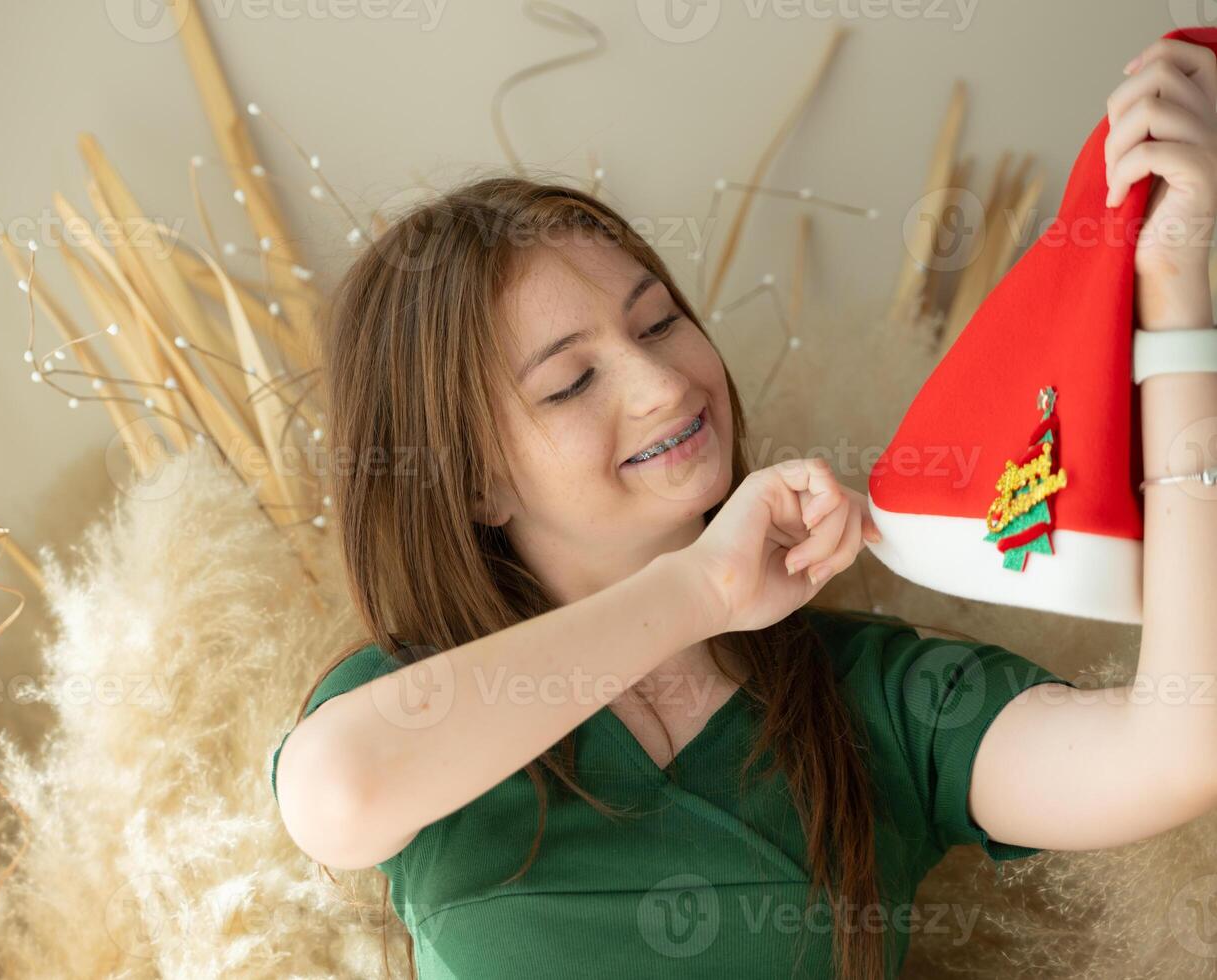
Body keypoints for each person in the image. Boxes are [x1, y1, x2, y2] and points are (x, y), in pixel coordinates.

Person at [271, 37, 1217, 979]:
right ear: (475, 480)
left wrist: (1173, 297)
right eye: (571, 383)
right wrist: (700, 592)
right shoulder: (416, 706)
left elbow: (1177, 746)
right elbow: (336, 796)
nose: (660, 383)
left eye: (659, 323)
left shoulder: (875, 704)